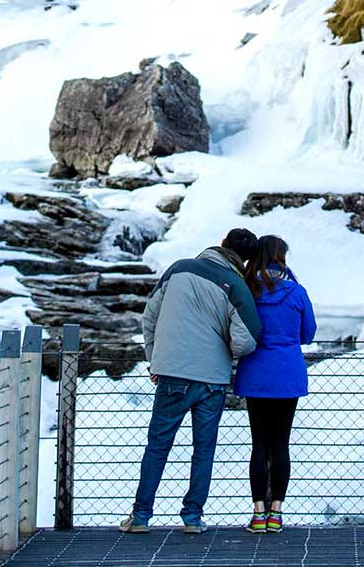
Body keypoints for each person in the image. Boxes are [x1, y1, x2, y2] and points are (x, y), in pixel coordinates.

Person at [122, 227, 263, 534]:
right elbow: (247, 339)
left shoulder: (178, 269)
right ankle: (192, 517)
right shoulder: (236, 286)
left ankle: (141, 516)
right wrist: (223, 350)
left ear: (221, 243)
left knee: (158, 446)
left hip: (172, 373)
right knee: (203, 449)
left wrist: (155, 360)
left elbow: (150, 317)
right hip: (212, 380)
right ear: (245, 259)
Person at [232, 235, 315, 534]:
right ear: (282, 257)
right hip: (288, 374)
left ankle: (258, 513)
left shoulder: (247, 290)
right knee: (281, 444)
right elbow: (308, 334)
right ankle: (276, 512)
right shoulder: (296, 292)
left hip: (255, 373)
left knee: (259, 444)